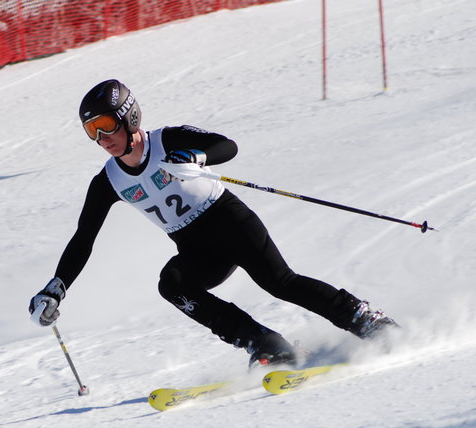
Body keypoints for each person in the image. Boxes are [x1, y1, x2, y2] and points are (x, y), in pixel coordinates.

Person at [29, 79, 396, 368]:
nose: (101, 138)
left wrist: (196, 155)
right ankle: (268, 345)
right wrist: (56, 287)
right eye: (91, 131)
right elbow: (83, 238)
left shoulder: (167, 139)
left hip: (228, 220)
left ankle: (365, 319)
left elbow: (227, 145)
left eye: (106, 125)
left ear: (129, 117)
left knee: (279, 283)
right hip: (195, 246)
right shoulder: (109, 180)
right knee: (172, 284)